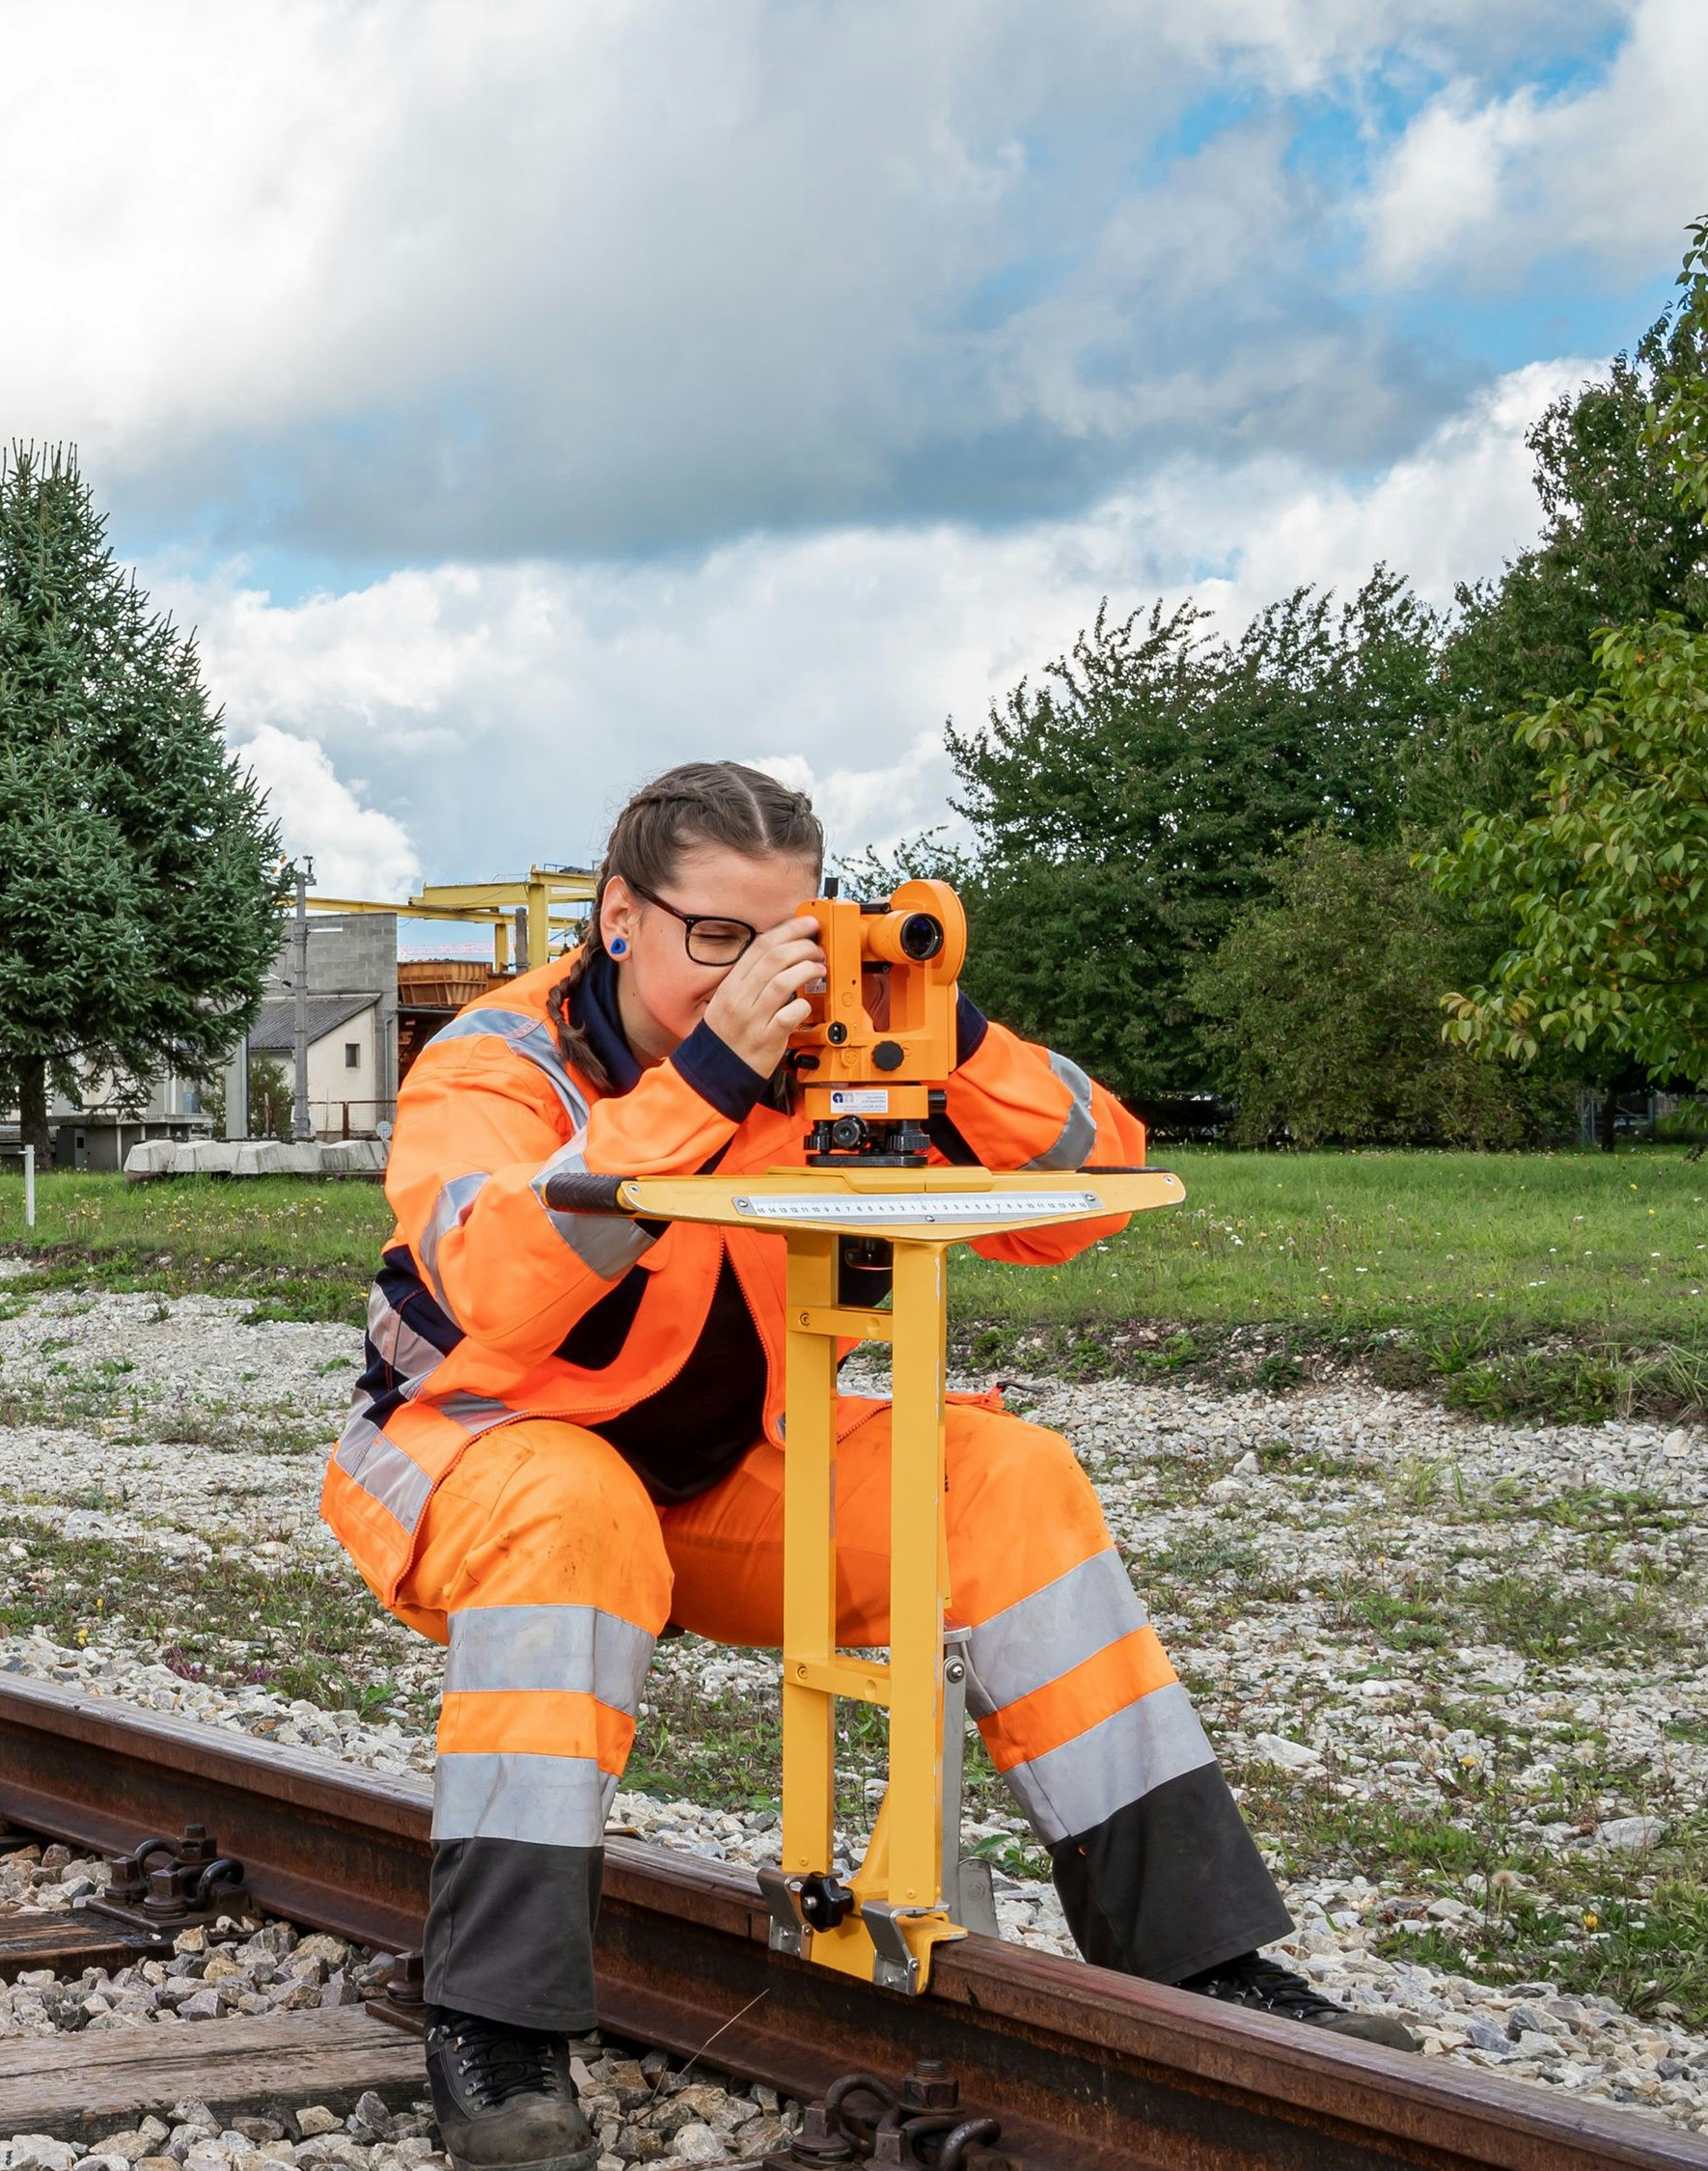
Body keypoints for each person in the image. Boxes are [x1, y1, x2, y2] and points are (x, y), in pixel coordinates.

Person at [328, 763, 1414, 2171]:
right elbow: (496, 1284)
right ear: (616, 916)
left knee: (1007, 1477)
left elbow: (1094, 1177)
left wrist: (940, 1031)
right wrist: (705, 1075)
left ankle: (1202, 1971)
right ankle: (493, 2023)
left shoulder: (832, 1049)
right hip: (474, 1458)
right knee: (572, 1507)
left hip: (726, 1478)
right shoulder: (495, 1061)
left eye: (792, 934)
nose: (760, 972)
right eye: (717, 935)